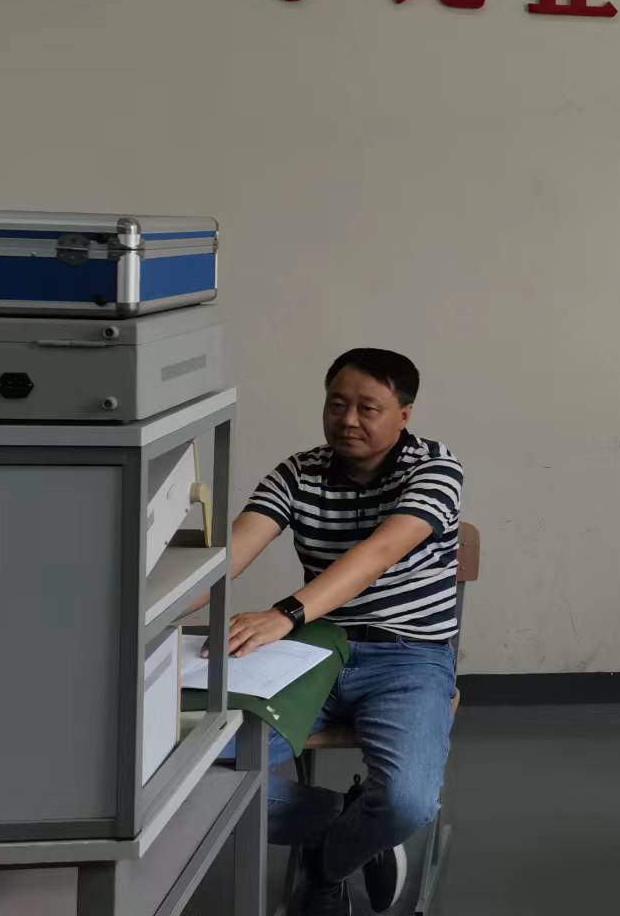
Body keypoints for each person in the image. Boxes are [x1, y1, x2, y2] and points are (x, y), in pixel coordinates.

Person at [218, 348, 464, 916]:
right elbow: (232, 552)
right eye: (336, 404)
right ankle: (349, 822)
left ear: (404, 414)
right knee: (197, 772)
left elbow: (378, 553)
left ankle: (326, 866)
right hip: (315, 650)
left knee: (407, 803)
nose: (348, 420)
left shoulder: (434, 467)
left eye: (367, 408)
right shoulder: (299, 471)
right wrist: (149, 610)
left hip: (408, 656)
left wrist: (287, 613)